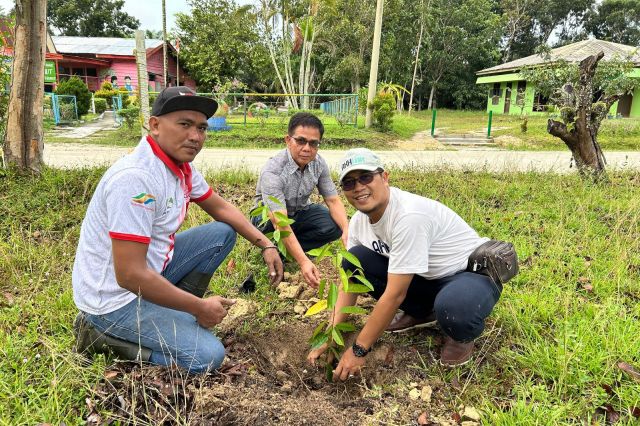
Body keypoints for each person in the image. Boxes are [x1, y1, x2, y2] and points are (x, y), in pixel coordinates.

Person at [72, 86, 283, 373]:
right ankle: (98, 337)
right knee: (208, 357)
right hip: (114, 301)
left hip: (150, 272)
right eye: (184, 124)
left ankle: (170, 311)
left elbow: (220, 208)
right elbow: (129, 275)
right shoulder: (136, 180)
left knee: (221, 234)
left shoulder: (178, 166)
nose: (195, 136)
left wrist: (266, 244)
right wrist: (198, 306)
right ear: (155, 125)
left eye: (201, 127)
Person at [308, 148, 517, 380]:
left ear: (385, 177)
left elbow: (395, 294)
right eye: (349, 183)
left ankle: (461, 336)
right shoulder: (359, 222)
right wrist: (332, 333)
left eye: (366, 177)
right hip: (425, 278)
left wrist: (359, 349)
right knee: (353, 259)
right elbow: (350, 281)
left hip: (467, 275)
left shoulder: (409, 217)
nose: (358, 187)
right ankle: (423, 312)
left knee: (455, 310)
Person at [252, 112, 349, 288]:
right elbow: (279, 221)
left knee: (334, 225)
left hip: (300, 212)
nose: (307, 148)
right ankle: (273, 247)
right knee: (267, 225)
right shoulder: (273, 170)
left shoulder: (319, 163)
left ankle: (286, 250)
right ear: (288, 140)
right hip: (268, 218)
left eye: (313, 143)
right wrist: (304, 262)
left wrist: (347, 231)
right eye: (301, 141)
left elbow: (333, 200)